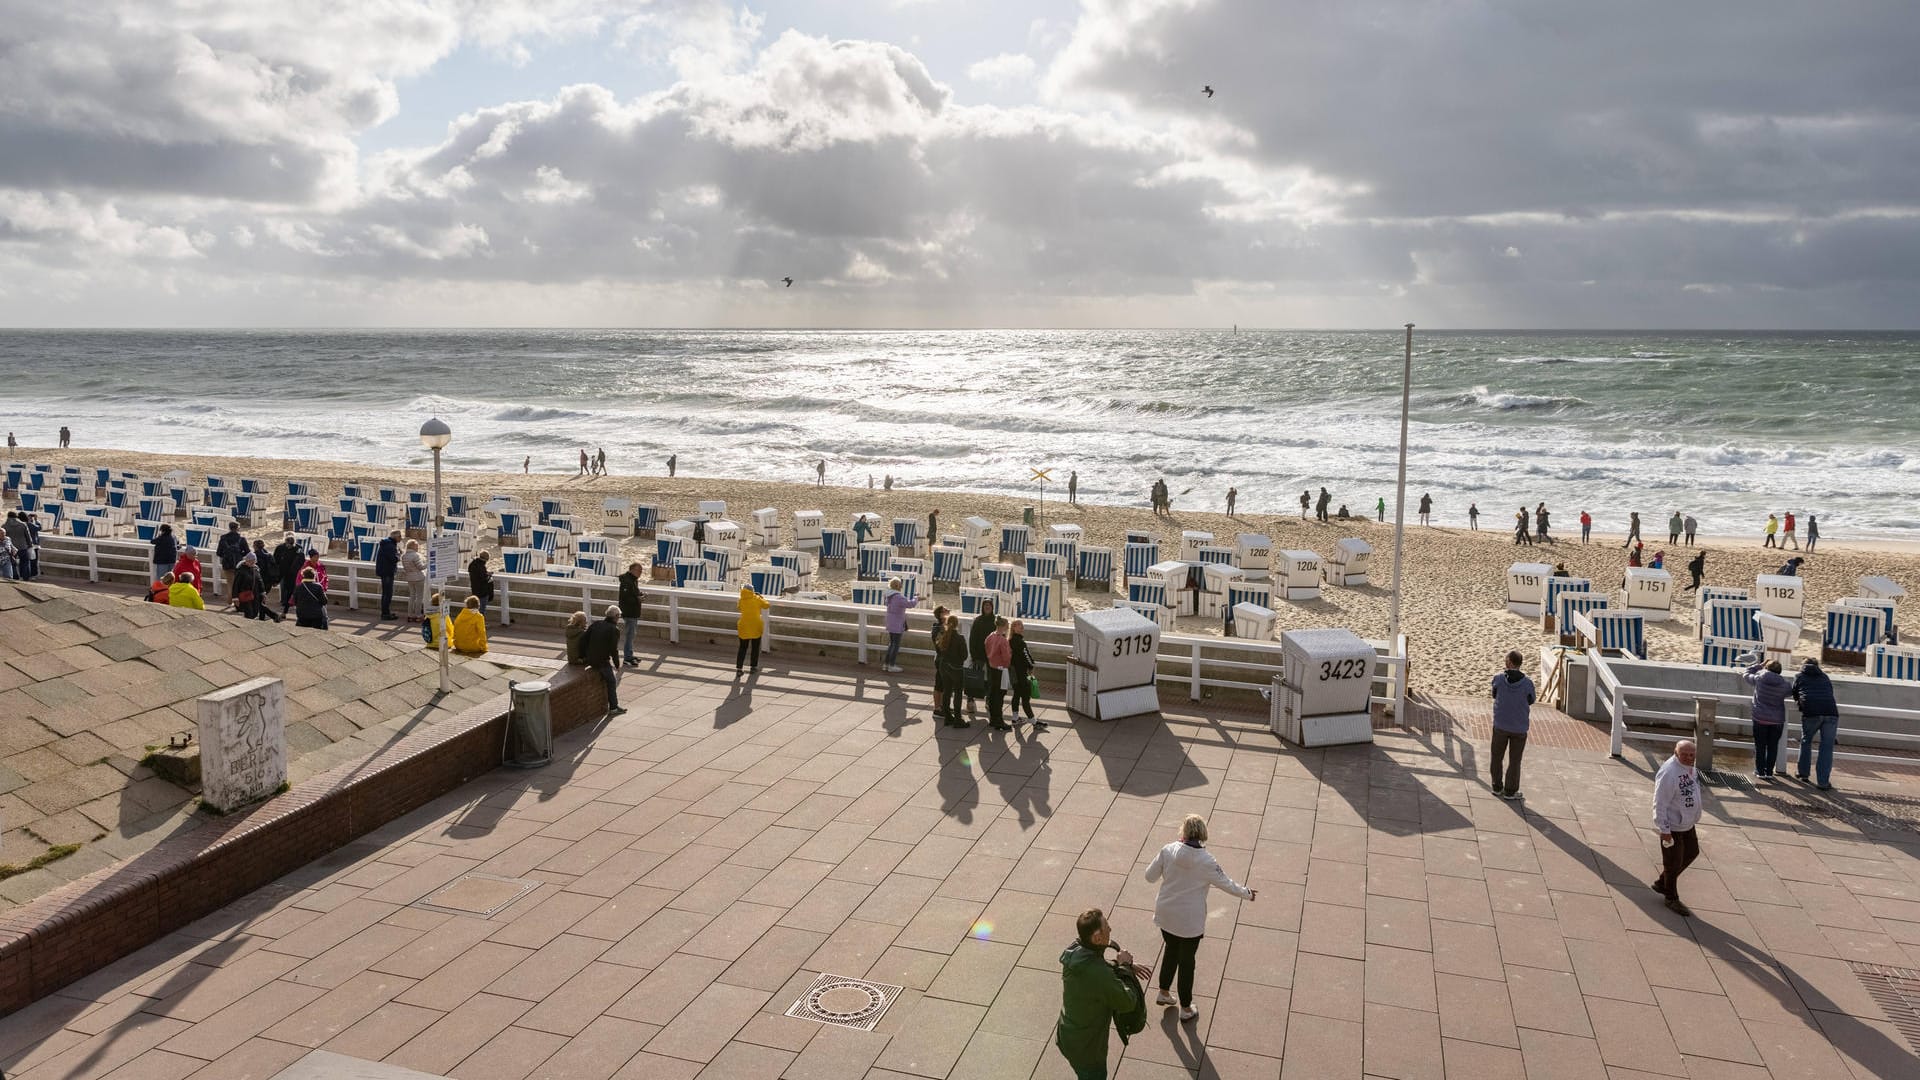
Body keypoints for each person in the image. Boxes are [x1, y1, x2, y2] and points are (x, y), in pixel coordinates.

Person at [1143, 815, 1254, 1022]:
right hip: (1190, 921)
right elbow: (1226, 883)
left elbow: (1149, 876)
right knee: (1187, 962)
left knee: (1170, 949)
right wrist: (1247, 893)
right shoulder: (1207, 861)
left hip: (1166, 914)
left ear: (1183, 831)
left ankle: (1164, 992)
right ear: (1203, 834)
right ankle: (1186, 1008)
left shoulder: (1167, 850)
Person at [1055, 909, 1151, 1080]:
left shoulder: (1076, 951)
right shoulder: (1098, 974)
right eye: (1107, 926)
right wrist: (1125, 968)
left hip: (1068, 1034)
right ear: (1097, 938)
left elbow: (1098, 969)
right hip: (1087, 1048)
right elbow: (1128, 1002)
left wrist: (1121, 965)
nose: (1111, 929)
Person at [1651, 740, 1704, 917]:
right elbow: (1660, 803)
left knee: (1692, 852)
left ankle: (1662, 882)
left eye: (1692, 754)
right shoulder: (1668, 773)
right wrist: (1664, 829)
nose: (1690, 758)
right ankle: (1671, 897)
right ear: (1675, 753)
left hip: (1687, 823)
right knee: (1672, 863)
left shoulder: (1690, 768)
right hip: (1673, 826)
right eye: (1685, 754)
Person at [1490, 650, 1534, 799]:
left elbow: (1494, 694)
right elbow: (1531, 700)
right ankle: (1510, 791)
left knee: (1496, 756)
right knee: (1515, 760)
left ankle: (1497, 786)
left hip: (1501, 724)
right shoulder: (1527, 683)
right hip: (1519, 727)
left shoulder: (1498, 678)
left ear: (1509, 662)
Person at [1792, 659, 1839, 789]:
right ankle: (1823, 782)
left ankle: (1803, 773)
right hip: (1830, 712)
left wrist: (1800, 704)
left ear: (1803, 666)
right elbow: (1830, 693)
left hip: (1811, 712)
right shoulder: (1825, 677)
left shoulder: (1799, 676)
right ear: (1818, 666)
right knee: (1827, 747)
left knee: (1806, 741)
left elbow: (1795, 693)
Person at [1743, 658, 1790, 779]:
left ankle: (1760, 771)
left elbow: (1746, 673)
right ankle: (1769, 772)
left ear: (1766, 668)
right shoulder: (1784, 685)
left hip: (1760, 718)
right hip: (1777, 720)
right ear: (1779, 671)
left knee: (1760, 746)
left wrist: (1759, 665)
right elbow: (1792, 691)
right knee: (1773, 746)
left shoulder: (1759, 679)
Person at [584, 604, 625, 714]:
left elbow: (585, 639)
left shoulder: (596, 624)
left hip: (590, 658)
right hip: (602, 661)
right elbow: (613, 650)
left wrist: (584, 656)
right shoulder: (614, 629)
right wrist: (617, 664)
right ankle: (613, 707)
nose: (619, 618)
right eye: (619, 616)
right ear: (615, 616)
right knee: (611, 681)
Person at [1009, 619, 1046, 731]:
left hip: (1013, 672)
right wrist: (1031, 666)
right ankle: (1033, 720)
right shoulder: (1020, 642)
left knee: (1016, 694)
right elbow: (1026, 656)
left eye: (1022, 626)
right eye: (1019, 626)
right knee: (1025, 696)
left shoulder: (1010, 641)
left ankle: (1015, 717)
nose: (1022, 627)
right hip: (1021, 673)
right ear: (1013, 628)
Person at [937, 614, 970, 727]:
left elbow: (939, 650)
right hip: (956, 668)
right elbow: (964, 655)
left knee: (947, 691)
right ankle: (957, 718)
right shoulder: (959, 638)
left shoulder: (943, 635)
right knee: (958, 693)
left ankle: (947, 717)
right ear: (957, 624)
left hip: (944, 666)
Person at [968, 598, 996, 714]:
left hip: (992, 655)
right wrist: (973, 655)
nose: (987, 607)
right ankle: (970, 701)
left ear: (992, 607)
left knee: (991, 680)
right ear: (982, 607)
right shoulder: (978, 620)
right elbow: (972, 639)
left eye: (989, 605)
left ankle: (989, 701)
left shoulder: (995, 621)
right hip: (979, 655)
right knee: (974, 679)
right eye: (985, 605)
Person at [985, 616, 1013, 730]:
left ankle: (993, 719)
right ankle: (999, 720)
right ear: (1004, 626)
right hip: (1001, 669)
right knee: (999, 695)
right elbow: (1006, 658)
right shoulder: (1003, 640)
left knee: (992, 694)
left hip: (992, 667)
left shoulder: (990, 636)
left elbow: (986, 648)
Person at [736, 584, 770, 674]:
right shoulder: (757, 599)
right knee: (755, 647)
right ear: (752, 591)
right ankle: (753, 667)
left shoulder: (741, 600)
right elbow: (767, 605)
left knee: (742, 647)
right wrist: (760, 596)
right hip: (755, 626)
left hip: (743, 626)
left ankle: (739, 669)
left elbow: (739, 607)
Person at [619, 561, 646, 666]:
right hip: (629, 612)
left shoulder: (633, 580)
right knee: (630, 635)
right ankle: (627, 658)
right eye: (639, 570)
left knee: (631, 635)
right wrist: (638, 599)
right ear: (632, 570)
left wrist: (640, 594)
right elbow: (625, 598)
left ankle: (629, 654)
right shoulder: (627, 581)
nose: (640, 573)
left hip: (633, 611)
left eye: (641, 571)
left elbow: (632, 593)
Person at [882, 578, 909, 673]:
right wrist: (917, 598)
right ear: (898, 586)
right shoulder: (898, 597)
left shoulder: (889, 596)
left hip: (890, 622)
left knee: (891, 644)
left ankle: (886, 664)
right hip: (897, 624)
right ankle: (891, 665)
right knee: (895, 645)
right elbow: (910, 604)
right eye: (900, 584)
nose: (902, 586)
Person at [374, 530, 402, 620]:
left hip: (384, 571)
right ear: (396, 537)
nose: (401, 538)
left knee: (385, 593)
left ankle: (386, 612)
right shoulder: (390, 546)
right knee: (387, 594)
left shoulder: (386, 544)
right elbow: (393, 559)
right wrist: (399, 554)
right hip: (387, 572)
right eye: (400, 537)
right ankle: (385, 614)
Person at [216, 523, 249, 596]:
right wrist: (240, 555)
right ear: (238, 528)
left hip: (227, 563)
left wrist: (225, 556)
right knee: (239, 583)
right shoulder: (242, 539)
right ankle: (238, 601)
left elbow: (218, 553)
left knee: (230, 583)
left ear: (229, 528)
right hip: (238, 563)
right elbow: (247, 551)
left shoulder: (223, 538)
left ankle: (230, 601)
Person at [275, 535, 303, 613]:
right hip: (285, 572)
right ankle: (286, 604)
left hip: (293, 573)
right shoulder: (282, 548)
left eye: (289, 544)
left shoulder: (298, 549)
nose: (287, 545)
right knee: (286, 589)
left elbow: (301, 560)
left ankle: (288, 604)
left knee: (290, 589)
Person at [401, 540, 428, 622]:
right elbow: (421, 567)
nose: (418, 547)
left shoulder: (404, 556)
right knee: (419, 597)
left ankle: (410, 615)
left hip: (409, 578)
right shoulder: (415, 555)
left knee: (412, 596)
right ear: (412, 546)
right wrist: (429, 562)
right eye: (417, 546)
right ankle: (418, 615)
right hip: (418, 578)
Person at [467, 551, 494, 619]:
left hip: (475, 589)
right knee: (481, 610)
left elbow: (477, 575)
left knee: (475, 609)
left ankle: (474, 622)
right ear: (486, 559)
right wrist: (489, 575)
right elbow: (484, 579)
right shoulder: (482, 566)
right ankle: (480, 624)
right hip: (483, 591)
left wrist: (486, 573)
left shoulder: (473, 564)